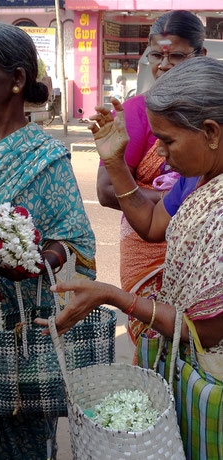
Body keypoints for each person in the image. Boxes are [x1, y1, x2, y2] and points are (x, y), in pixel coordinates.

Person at [36, 57, 223, 458]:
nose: (157, 151)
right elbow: (154, 225)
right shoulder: (201, 173)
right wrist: (115, 162)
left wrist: (112, 296)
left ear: (210, 132)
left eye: (168, 141)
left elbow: (205, 333)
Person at [0, 21, 96, 459]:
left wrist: (34, 258)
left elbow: (76, 239)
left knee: (23, 440)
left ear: (16, 79)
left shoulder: (45, 157)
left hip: (21, 333)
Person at [97, 11, 207, 354]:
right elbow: (109, 193)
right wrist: (174, 195)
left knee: (199, 348)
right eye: (156, 55)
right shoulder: (136, 110)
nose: (164, 65)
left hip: (202, 262)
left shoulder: (210, 116)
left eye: (176, 55)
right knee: (159, 354)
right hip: (147, 253)